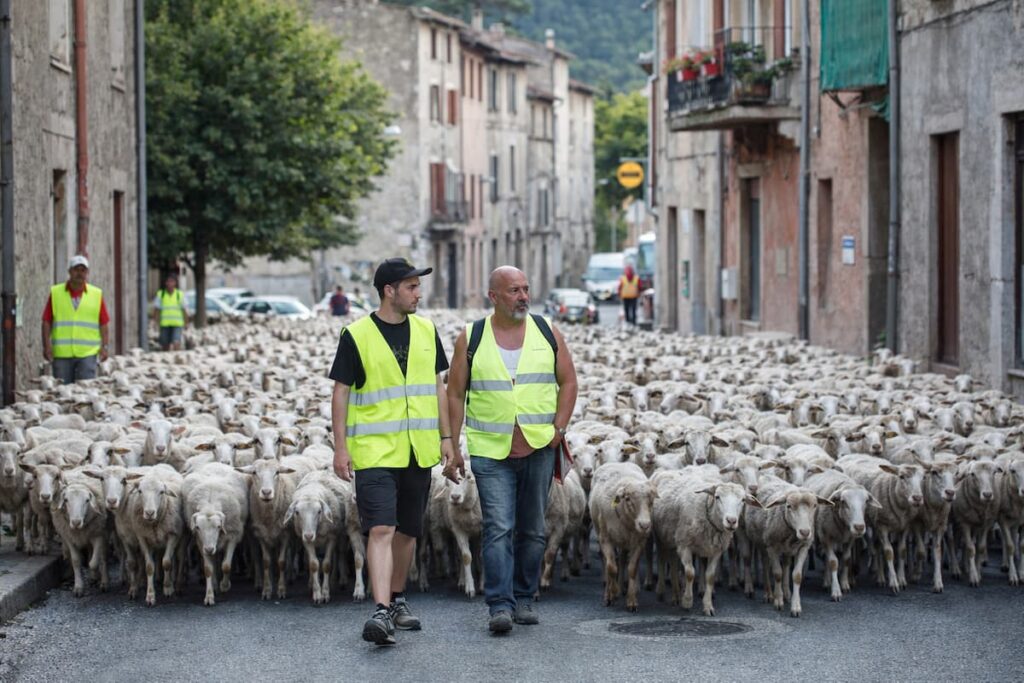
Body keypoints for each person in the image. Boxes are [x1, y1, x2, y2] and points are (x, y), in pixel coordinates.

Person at [329, 257, 463, 646]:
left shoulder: (426, 330)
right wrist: (341, 447)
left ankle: (398, 598)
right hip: (374, 450)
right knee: (381, 527)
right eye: (411, 287)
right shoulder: (356, 335)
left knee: (408, 530)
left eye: (418, 287)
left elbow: (437, 386)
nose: (418, 294)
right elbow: (341, 392)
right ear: (389, 291)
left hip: (418, 449)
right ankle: (381, 610)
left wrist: (447, 439)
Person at [447, 266, 578, 634]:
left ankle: (523, 596)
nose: (523, 296)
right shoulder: (471, 337)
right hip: (490, 449)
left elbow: (568, 382)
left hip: (538, 446)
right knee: (498, 527)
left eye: (526, 288)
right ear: (494, 296)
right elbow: (454, 392)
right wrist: (452, 443)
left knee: (534, 528)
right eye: (514, 291)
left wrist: (560, 427)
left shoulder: (547, 331)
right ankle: (499, 605)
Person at [42, 254, 110, 384]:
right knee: (62, 392)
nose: (80, 273)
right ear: (69, 271)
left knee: (86, 394)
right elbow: (46, 321)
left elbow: (104, 323)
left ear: (87, 273)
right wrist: (46, 346)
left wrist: (105, 347)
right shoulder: (56, 293)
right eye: (76, 269)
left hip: (87, 354)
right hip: (62, 354)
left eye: (83, 270)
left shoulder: (96, 294)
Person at [151, 273, 188, 351]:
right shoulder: (161, 294)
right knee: (165, 343)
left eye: (172, 281)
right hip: (165, 323)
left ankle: (176, 357)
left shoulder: (179, 294)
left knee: (176, 342)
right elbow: (156, 309)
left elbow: (184, 310)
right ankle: (166, 358)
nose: (170, 283)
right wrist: (154, 321)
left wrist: (186, 322)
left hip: (177, 323)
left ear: (175, 283)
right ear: (166, 283)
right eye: (168, 281)